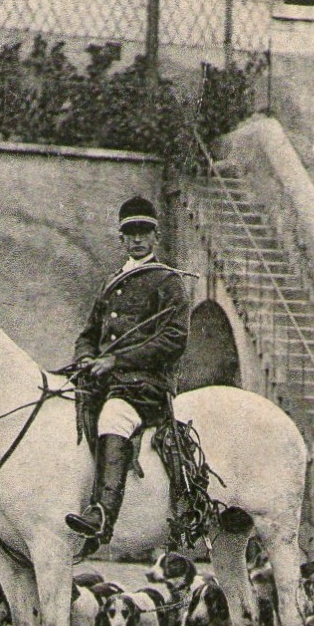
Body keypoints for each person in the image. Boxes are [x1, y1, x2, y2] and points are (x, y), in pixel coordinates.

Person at [65, 196, 188, 557]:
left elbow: (174, 338)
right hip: (102, 380)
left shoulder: (168, 282)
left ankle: (102, 514)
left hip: (144, 386)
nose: (137, 239)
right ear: (121, 239)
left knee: (113, 416)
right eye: (130, 233)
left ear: (156, 236)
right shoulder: (112, 282)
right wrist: (86, 358)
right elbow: (88, 334)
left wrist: (116, 361)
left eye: (144, 232)